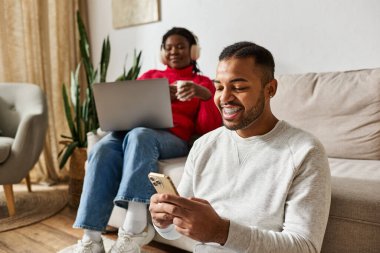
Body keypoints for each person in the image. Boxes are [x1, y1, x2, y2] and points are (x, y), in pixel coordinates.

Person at [149, 41, 331, 253]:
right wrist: (164, 221)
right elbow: (175, 229)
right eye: (219, 87)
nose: (224, 98)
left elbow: (305, 247)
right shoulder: (203, 146)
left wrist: (221, 231)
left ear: (270, 89)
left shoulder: (305, 152)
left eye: (239, 87)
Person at [71, 27, 222, 253]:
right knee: (102, 149)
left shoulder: (203, 83)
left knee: (140, 135)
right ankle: (91, 238)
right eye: (168, 48)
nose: (174, 52)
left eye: (180, 47)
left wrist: (203, 94)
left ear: (193, 51)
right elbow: (128, 107)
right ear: (162, 52)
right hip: (131, 132)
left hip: (172, 138)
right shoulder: (149, 76)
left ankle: (134, 227)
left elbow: (209, 127)